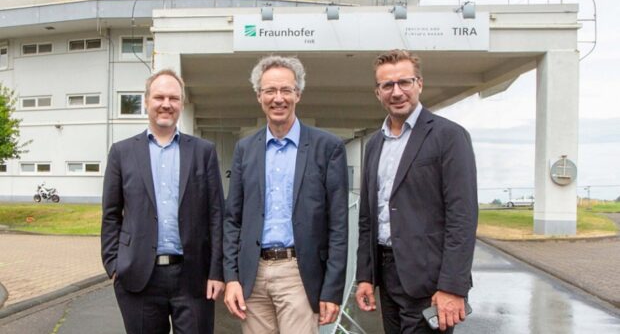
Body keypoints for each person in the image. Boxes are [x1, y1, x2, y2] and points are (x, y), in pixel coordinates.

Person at [223, 55, 349, 334]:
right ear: (259, 96)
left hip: (299, 275)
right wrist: (231, 277)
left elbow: (338, 225)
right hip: (252, 275)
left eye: (286, 90)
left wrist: (332, 290)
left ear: (298, 94)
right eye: (270, 90)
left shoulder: (327, 147)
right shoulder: (245, 149)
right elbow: (233, 219)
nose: (278, 98)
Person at [355, 50, 478, 333]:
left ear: (419, 84)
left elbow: (462, 217)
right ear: (378, 92)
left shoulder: (449, 136)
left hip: (430, 283)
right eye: (388, 85)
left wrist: (452, 286)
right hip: (387, 275)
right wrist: (365, 276)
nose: (397, 92)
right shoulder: (374, 144)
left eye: (404, 82)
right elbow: (367, 218)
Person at [101, 69, 225, 334]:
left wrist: (216, 271)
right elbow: (111, 215)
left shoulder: (204, 152)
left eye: (173, 98)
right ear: (146, 101)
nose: (166, 104)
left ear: (182, 103)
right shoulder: (122, 152)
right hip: (139, 278)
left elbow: (216, 215)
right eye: (159, 97)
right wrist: (113, 265)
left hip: (194, 279)